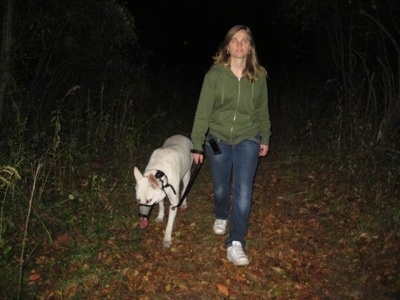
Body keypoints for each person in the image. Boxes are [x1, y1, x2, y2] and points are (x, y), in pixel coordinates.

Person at [190, 25, 271, 266]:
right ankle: (221, 214)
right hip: (216, 138)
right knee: (221, 186)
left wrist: (264, 137)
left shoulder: (258, 77)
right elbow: (203, 111)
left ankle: (236, 243)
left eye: (244, 41)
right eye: (235, 40)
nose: (239, 44)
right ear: (227, 46)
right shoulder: (214, 76)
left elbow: (262, 111)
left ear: (250, 48)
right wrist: (197, 143)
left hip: (248, 137)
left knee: (243, 191)